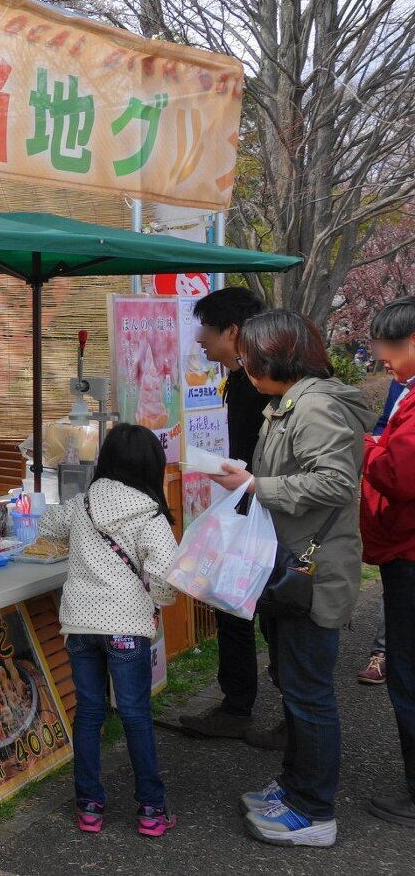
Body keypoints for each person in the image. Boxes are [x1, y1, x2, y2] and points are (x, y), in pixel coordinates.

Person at [210, 310, 374, 848]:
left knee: (309, 696)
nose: (243, 366)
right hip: (290, 567)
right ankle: (295, 787)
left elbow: (336, 483)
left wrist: (255, 485)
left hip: (313, 574)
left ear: (276, 357)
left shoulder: (315, 406)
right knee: (295, 687)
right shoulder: (288, 403)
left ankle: (315, 811)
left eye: (248, 358)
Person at [38, 424, 178, 837]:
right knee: (135, 714)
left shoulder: (82, 503)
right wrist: (159, 602)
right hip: (127, 628)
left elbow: (47, 526)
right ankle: (151, 810)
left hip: (79, 626)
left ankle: (89, 807)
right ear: (150, 465)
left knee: (89, 712)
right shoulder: (149, 514)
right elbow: (166, 576)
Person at [180, 287, 274, 742]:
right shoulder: (238, 380)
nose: (199, 339)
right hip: (244, 505)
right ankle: (237, 707)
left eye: (206, 329)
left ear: (232, 331)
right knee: (231, 605)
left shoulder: (266, 383)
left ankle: (296, 718)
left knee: (273, 613)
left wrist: (250, 480)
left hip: (270, 512)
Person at [359, 296, 415, 827]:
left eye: (390, 346)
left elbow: (400, 476)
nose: (382, 357)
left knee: (408, 673)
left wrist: (367, 447)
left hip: (409, 554)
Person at [358, 379, 404, 686]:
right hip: (399, 518)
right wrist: (375, 443)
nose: (384, 359)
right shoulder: (400, 384)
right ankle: (383, 653)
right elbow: (385, 425)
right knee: (399, 583)